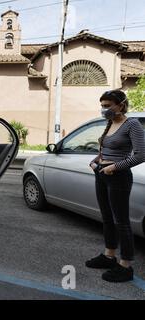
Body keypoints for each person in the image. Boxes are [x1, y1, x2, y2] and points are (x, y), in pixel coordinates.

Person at [86, 90, 145, 282]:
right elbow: (106, 150)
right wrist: (95, 161)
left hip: (119, 177)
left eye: (107, 105)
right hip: (102, 174)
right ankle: (109, 256)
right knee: (107, 218)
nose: (104, 109)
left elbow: (141, 154)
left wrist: (115, 167)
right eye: (102, 105)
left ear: (120, 105)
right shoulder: (110, 123)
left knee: (121, 221)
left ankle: (125, 265)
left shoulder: (132, 124)